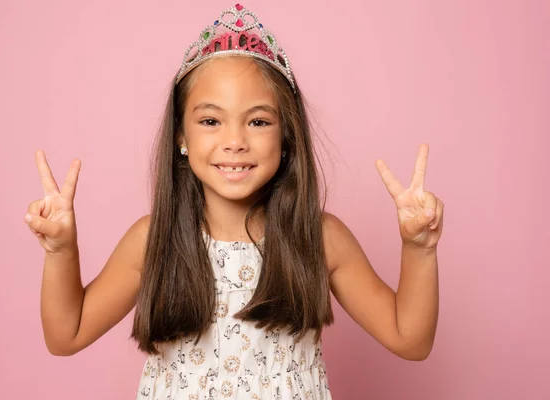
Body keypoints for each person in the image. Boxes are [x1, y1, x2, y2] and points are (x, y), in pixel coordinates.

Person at [24, 4, 444, 399]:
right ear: (181, 137)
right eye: (210, 121)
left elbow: (410, 339)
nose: (235, 141)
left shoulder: (320, 237)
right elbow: (67, 335)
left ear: (287, 136)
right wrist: (61, 249)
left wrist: (419, 247)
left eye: (258, 121)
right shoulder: (155, 239)